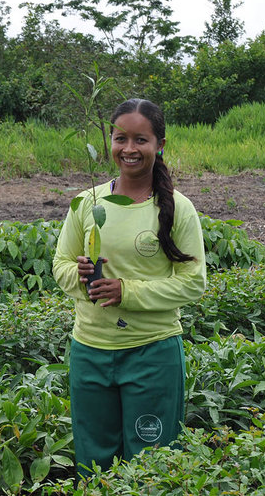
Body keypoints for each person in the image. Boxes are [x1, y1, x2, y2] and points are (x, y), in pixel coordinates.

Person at [52, 98, 207, 478]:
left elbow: (193, 283)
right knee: (94, 460)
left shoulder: (178, 208)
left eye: (141, 140)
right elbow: (61, 264)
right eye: (121, 138)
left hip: (151, 353)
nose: (130, 149)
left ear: (160, 145)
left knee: (151, 464)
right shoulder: (86, 201)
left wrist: (127, 292)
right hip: (90, 350)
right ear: (110, 141)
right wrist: (82, 275)